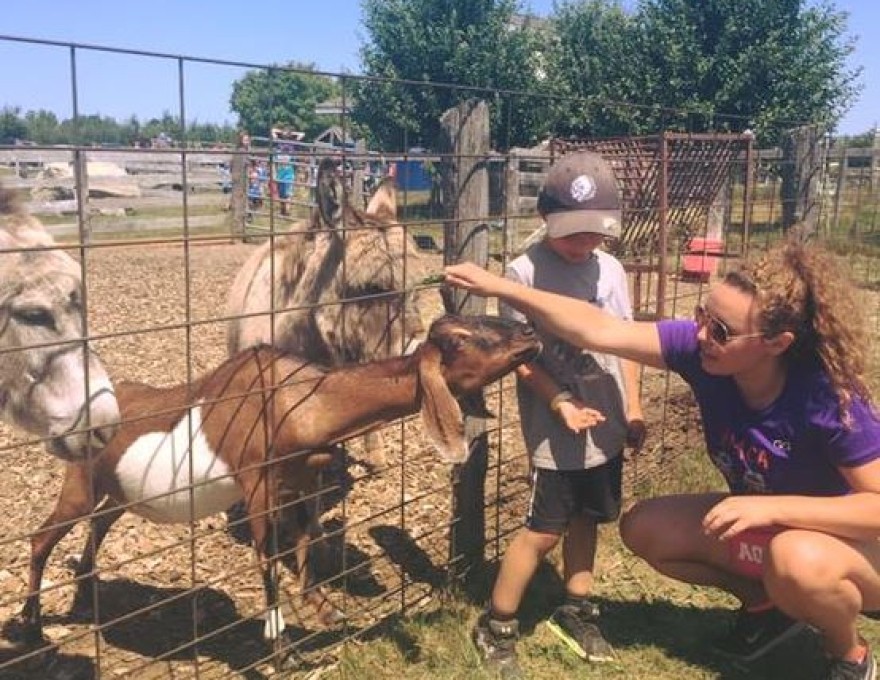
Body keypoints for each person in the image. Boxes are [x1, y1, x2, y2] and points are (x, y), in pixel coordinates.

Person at [446, 229, 880, 680]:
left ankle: (849, 655)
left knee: (796, 560)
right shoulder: (703, 354)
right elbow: (598, 328)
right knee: (645, 528)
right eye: (701, 316)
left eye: (722, 330)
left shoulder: (827, 399)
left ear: (777, 343)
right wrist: (501, 286)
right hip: (773, 528)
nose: (701, 334)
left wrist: (767, 507)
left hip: (852, 548)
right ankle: (766, 605)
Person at [470, 151, 646, 678]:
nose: (585, 244)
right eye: (573, 233)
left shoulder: (611, 270)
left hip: (607, 422)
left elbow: (627, 345)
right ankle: (497, 623)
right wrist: (559, 401)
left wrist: (632, 408)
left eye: (595, 234)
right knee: (544, 530)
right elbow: (520, 359)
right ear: (546, 218)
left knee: (589, 517)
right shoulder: (522, 274)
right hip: (556, 427)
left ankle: (576, 607)